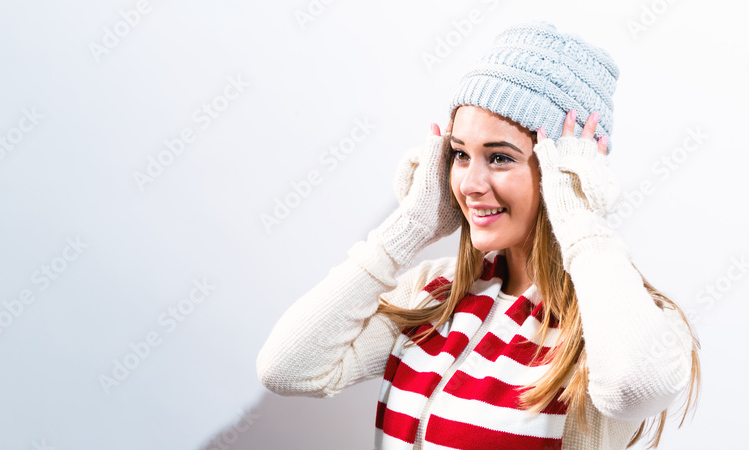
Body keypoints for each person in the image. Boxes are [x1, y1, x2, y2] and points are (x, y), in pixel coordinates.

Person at [255, 21, 700, 449]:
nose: (469, 183)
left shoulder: (625, 319)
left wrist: (578, 216)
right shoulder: (434, 292)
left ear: (565, 169)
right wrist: (408, 227)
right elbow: (288, 369)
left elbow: (636, 388)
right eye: (460, 154)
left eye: (500, 157)